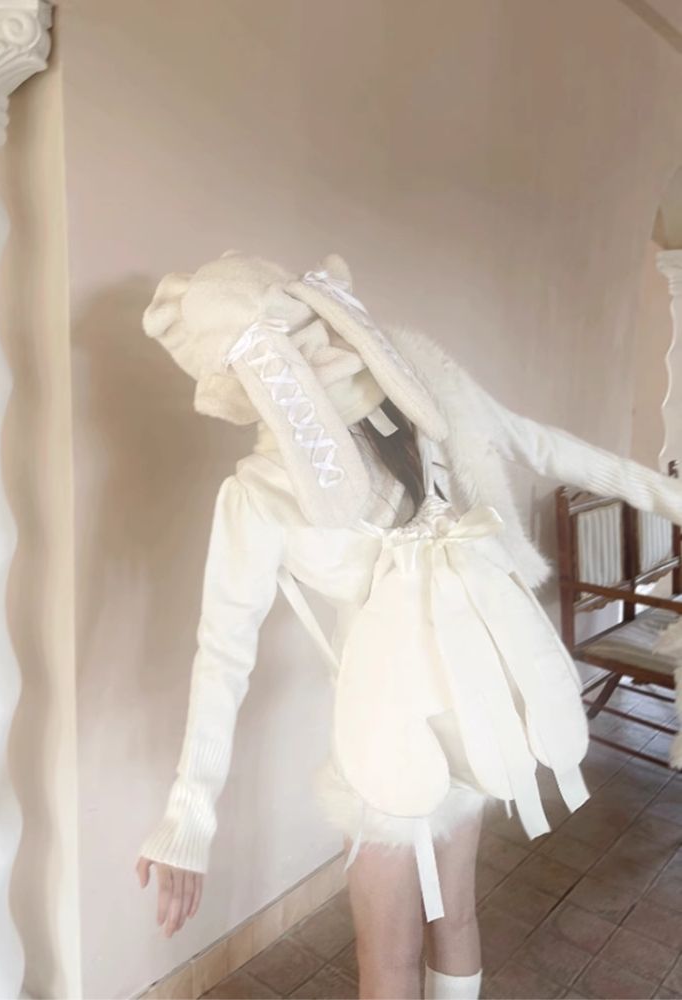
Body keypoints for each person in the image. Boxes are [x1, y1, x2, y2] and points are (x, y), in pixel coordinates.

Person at [135, 251, 682, 1000]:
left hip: (383, 740)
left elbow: (223, 654)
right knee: (456, 919)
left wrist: (189, 817)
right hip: (469, 715)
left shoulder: (261, 491)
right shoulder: (425, 406)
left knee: (387, 960)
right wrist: (670, 497)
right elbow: (548, 447)